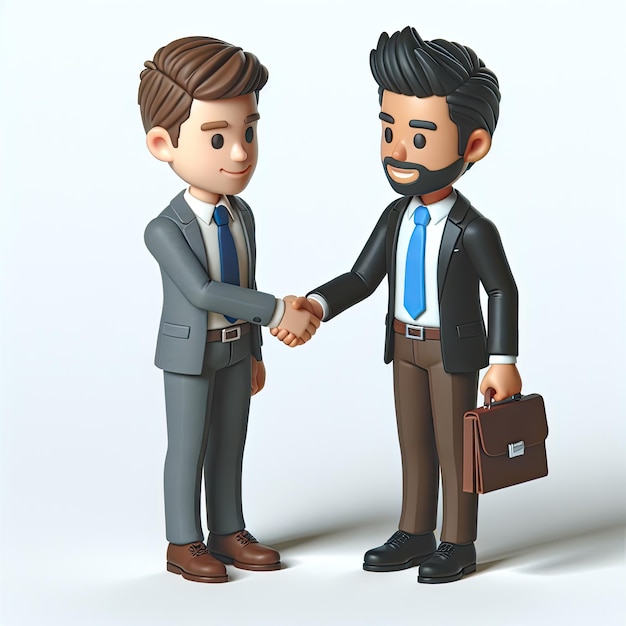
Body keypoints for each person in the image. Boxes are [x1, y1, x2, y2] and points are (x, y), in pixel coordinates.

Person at [273, 27, 521, 584]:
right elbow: (362, 277)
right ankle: (415, 530)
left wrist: (503, 359)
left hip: (452, 353)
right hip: (404, 347)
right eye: (390, 130)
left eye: (421, 134)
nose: (399, 151)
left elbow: (502, 289)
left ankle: (458, 542)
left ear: (473, 146)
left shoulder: (473, 229)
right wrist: (316, 303)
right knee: (414, 442)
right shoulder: (395, 218)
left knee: (457, 449)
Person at [139, 36, 319, 583]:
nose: (240, 152)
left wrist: (258, 348)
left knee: (230, 446)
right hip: (190, 356)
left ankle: (227, 530)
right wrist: (276, 311)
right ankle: (182, 541)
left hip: (238, 351)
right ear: (162, 143)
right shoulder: (165, 229)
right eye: (216, 137)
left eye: (248, 131)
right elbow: (203, 290)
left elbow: (245, 277)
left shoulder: (242, 216)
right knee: (187, 448)